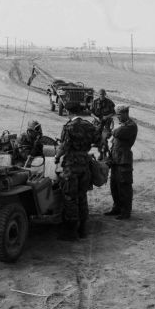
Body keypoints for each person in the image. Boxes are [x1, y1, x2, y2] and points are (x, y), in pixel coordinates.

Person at [54, 102, 96, 240]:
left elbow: (64, 146)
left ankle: (71, 232)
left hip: (71, 166)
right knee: (82, 196)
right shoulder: (89, 125)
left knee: (70, 198)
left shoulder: (68, 127)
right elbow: (98, 140)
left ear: (67, 111)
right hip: (85, 164)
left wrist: (57, 157)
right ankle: (83, 229)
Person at [106, 105, 138, 220]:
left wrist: (110, 131)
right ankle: (117, 208)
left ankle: (125, 212)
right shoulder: (123, 125)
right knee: (114, 186)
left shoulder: (131, 126)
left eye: (119, 115)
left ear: (125, 113)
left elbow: (118, 133)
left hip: (124, 161)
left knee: (124, 187)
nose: (117, 118)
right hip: (115, 160)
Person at [91, 89, 116, 160]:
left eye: (103, 94)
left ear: (105, 94)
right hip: (97, 123)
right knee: (97, 138)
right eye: (100, 94)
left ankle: (104, 154)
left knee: (104, 138)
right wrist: (96, 118)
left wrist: (107, 117)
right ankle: (101, 153)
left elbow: (113, 113)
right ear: (98, 95)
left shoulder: (109, 102)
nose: (102, 96)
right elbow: (91, 113)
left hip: (107, 124)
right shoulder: (95, 102)